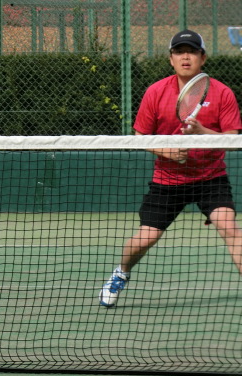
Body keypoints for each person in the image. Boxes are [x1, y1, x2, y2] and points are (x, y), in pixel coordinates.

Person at [99, 29, 242, 307]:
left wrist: (201, 131)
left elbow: (233, 140)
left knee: (230, 228)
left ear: (203, 57)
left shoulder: (222, 93)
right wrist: (169, 152)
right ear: (171, 59)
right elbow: (141, 137)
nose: (185, 57)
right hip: (167, 180)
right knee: (145, 238)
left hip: (210, 177)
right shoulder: (156, 92)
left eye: (191, 51)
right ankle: (121, 273)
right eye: (179, 52)